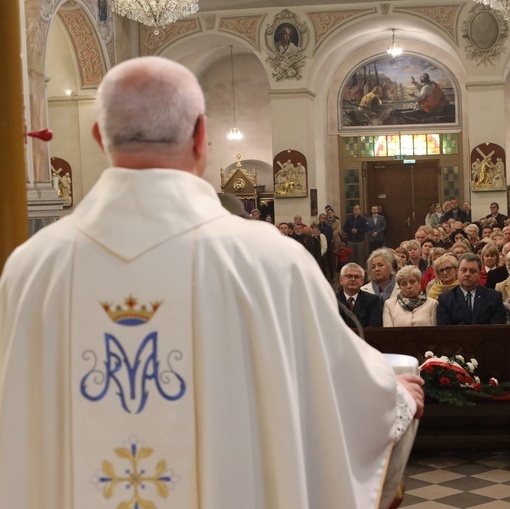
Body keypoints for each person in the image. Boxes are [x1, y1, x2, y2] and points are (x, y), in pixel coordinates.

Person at [0, 57, 423, 509]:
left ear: (99, 138)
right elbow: (336, 385)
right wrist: (391, 395)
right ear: (202, 136)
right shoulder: (270, 260)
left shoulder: (31, 269)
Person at [436, 253, 505, 325]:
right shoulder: (445, 299)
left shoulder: (494, 298)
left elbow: (497, 330)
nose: (467, 274)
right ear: (457, 272)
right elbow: (444, 331)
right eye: (464, 270)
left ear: (479, 274)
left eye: (472, 271)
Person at [337, 263, 383, 329]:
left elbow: (374, 326)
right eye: (349, 276)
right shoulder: (332, 300)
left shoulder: (373, 300)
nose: (353, 280)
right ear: (341, 280)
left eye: (357, 277)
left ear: (362, 281)